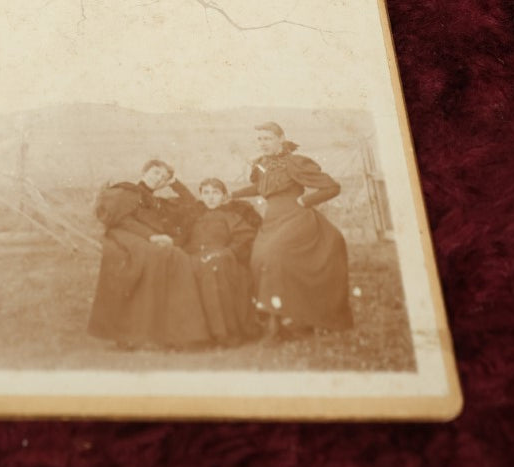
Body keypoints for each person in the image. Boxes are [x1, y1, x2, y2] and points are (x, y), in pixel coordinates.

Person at [233, 122, 353, 337]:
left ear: (281, 138)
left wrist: (305, 201)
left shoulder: (296, 162)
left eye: (267, 138)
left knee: (274, 257)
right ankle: (277, 318)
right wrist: (234, 195)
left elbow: (332, 187)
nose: (262, 143)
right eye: (259, 139)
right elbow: (261, 187)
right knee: (259, 259)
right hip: (272, 220)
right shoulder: (262, 164)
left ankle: (284, 323)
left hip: (296, 218)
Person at [87, 159, 209, 350]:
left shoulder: (157, 202)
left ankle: (176, 333)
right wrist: (151, 236)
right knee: (158, 257)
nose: (158, 178)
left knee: (176, 257)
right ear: (143, 172)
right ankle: (137, 334)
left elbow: (191, 204)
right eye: (155, 173)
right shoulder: (127, 192)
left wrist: (175, 183)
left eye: (163, 177)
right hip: (124, 236)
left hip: (146, 239)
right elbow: (123, 220)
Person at [184, 178, 261, 346]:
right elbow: (183, 240)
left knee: (212, 269)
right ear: (201, 196)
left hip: (223, 259)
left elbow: (245, 237)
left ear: (224, 196)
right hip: (195, 257)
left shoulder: (231, 216)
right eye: (206, 193)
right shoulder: (194, 217)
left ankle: (223, 333)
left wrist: (225, 253)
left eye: (215, 193)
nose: (211, 197)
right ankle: (194, 335)